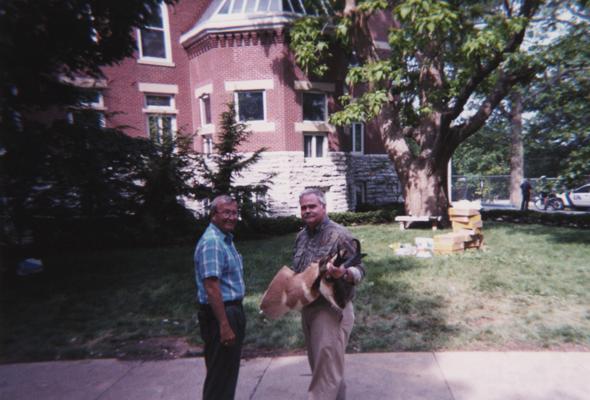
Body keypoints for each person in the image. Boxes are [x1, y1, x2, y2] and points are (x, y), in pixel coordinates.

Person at [292, 188, 365, 400]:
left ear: (323, 207)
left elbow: (361, 270)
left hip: (331, 310)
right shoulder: (301, 237)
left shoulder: (340, 235)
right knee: (324, 370)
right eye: (303, 207)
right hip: (309, 308)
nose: (307, 211)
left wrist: (345, 273)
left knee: (325, 375)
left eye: (312, 206)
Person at [194, 195, 246, 400]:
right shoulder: (213, 242)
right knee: (219, 380)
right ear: (213, 214)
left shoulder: (225, 239)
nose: (231, 217)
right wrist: (224, 325)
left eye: (234, 213)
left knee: (225, 375)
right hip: (221, 314)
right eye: (226, 212)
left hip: (230, 311)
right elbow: (212, 287)